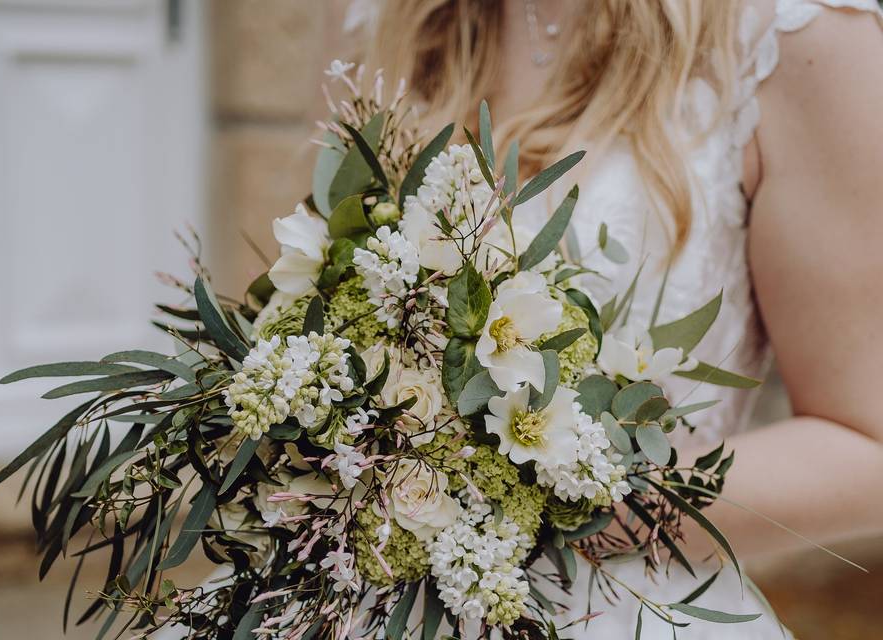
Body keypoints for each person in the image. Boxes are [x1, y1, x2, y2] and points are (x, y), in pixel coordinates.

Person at [339, 0, 883, 637]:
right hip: (370, 599)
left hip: (623, 611)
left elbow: (866, 445)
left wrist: (561, 496)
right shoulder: (388, 19)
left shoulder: (797, 35)